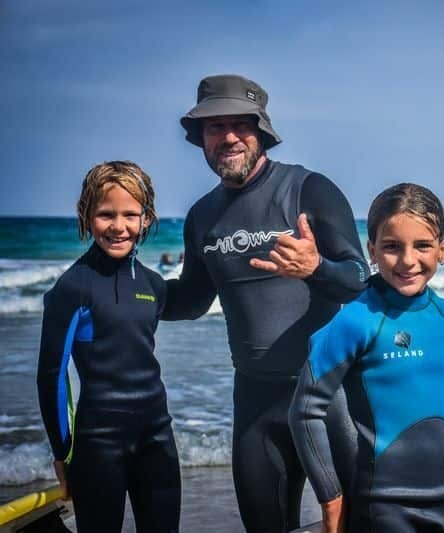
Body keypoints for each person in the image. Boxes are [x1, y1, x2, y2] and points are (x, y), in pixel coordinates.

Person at [163, 74, 367, 532]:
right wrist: (129, 291)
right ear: (201, 139)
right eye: (215, 127)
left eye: (241, 125)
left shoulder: (309, 189)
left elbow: (359, 281)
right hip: (255, 406)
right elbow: (192, 300)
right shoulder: (201, 217)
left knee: (359, 526)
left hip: (328, 399)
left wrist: (316, 269)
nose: (229, 136)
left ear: (261, 131)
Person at [289, 183, 444, 533]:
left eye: (423, 245)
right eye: (391, 247)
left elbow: (432, 392)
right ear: (372, 250)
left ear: (443, 249)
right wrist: (331, 498)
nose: (408, 260)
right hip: (384, 503)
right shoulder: (355, 321)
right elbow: (304, 411)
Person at [36, 161, 181, 533]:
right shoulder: (73, 288)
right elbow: (52, 377)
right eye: (105, 214)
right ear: (86, 215)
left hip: (157, 437)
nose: (119, 226)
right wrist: (62, 452)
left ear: (146, 219)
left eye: (130, 214)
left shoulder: (154, 285)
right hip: (98, 443)